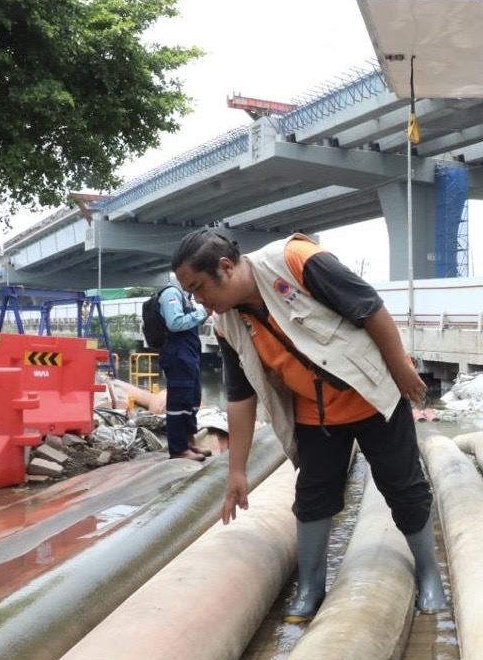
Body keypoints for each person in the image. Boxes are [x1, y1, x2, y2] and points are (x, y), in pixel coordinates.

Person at [171, 230, 447, 622]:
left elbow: (369, 308)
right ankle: (311, 588)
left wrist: (402, 370)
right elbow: (240, 395)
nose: (199, 301)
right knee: (313, 498)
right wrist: (237, 470)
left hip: (372, 398)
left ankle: (428, 575)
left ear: (226, 267)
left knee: (405, 487)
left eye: (198, 288)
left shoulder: (296, 260)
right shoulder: (225, 325)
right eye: (190, 294)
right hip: (316, 415)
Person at [156, 276, 209, 461]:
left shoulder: (185, 295)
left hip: (189, 354)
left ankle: (189, 442)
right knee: (178, 403)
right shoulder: (171, 293)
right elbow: (175, 323)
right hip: (177, 355)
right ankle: (178, 449)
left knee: (192, 399)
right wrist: (202, 312)